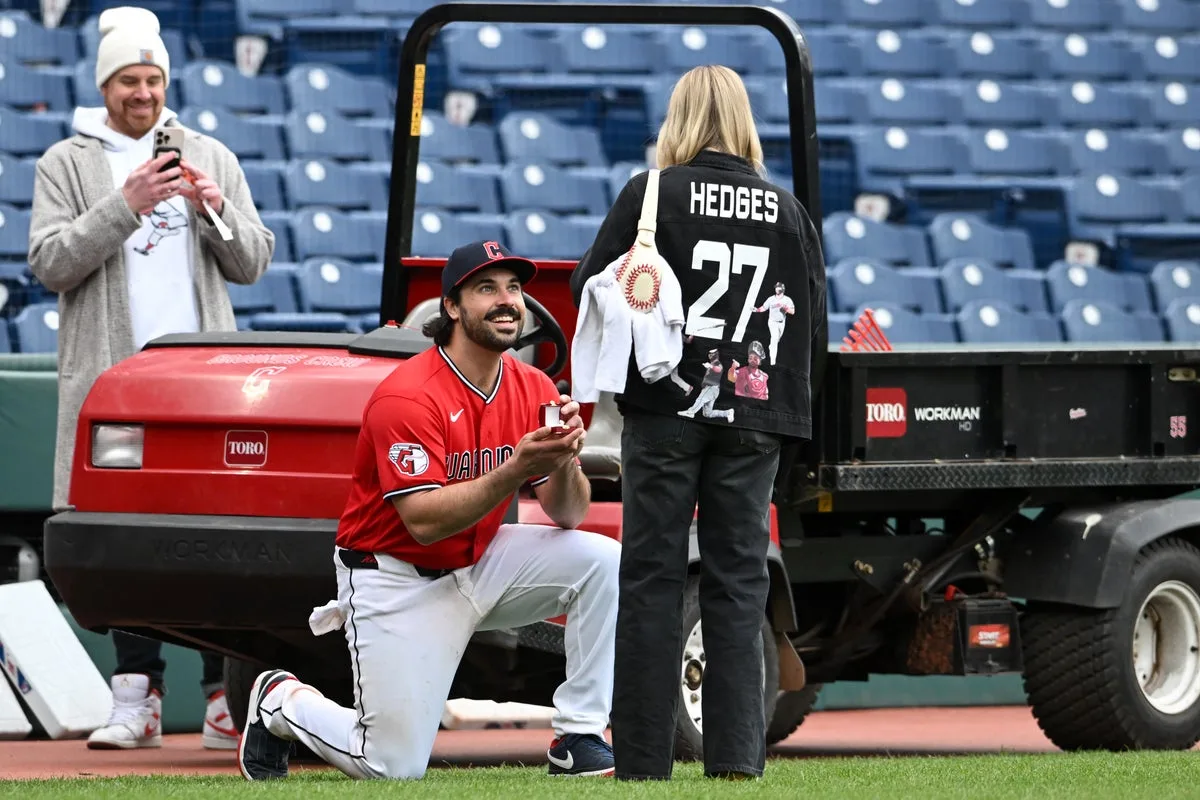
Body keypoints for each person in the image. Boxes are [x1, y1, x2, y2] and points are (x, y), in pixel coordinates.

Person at [237, 241, 621, 781]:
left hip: (480, 561)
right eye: (486, 289)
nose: (506, 301)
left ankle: (578, 735)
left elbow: (569, 515)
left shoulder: (532, 385)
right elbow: (424, 521)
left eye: (514, 288)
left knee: (602, 560)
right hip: (396, 577)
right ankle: (280, 701)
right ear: (452, 308)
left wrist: (563, 459)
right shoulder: (409, 395)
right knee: (391, 766)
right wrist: (515, 469)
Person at [569, 65, 827, 781]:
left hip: (666, 407)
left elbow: (586, 286)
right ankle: (738, 764)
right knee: (739, 585)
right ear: (743, 118)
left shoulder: (649, 193)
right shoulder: (786, 209)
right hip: (757, 412)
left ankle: (645, 764)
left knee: (651, 579)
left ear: (677, 116)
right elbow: (812, 326)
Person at [26, 6, 274, 750]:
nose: (144, 93)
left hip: (200, 385)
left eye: (155, 79)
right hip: (115, 385)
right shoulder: (66, 163)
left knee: (213, 533)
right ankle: (134, 695)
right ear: (105, 85)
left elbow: (254, 261)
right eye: (130, 80)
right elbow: (50, 265)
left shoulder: (210, 152)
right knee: (120, 539)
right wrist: (123, 206)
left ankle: (220, 697)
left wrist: (213, 207)